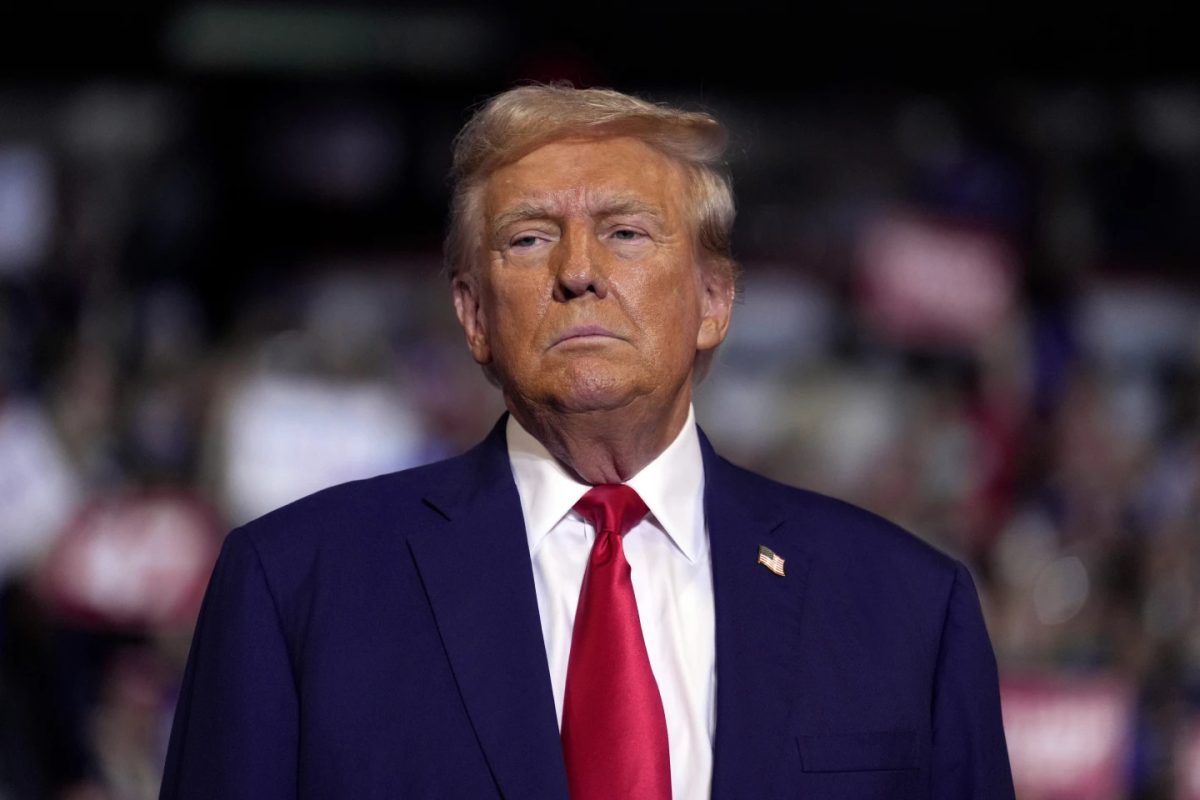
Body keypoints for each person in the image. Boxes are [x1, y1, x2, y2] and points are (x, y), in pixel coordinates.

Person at [160, 85, 1015, 800]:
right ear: (473, 315)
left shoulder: (905, 607)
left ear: (714, 300)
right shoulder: (294, 587)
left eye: (627, 232)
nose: (578, 270)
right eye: (529, 238)